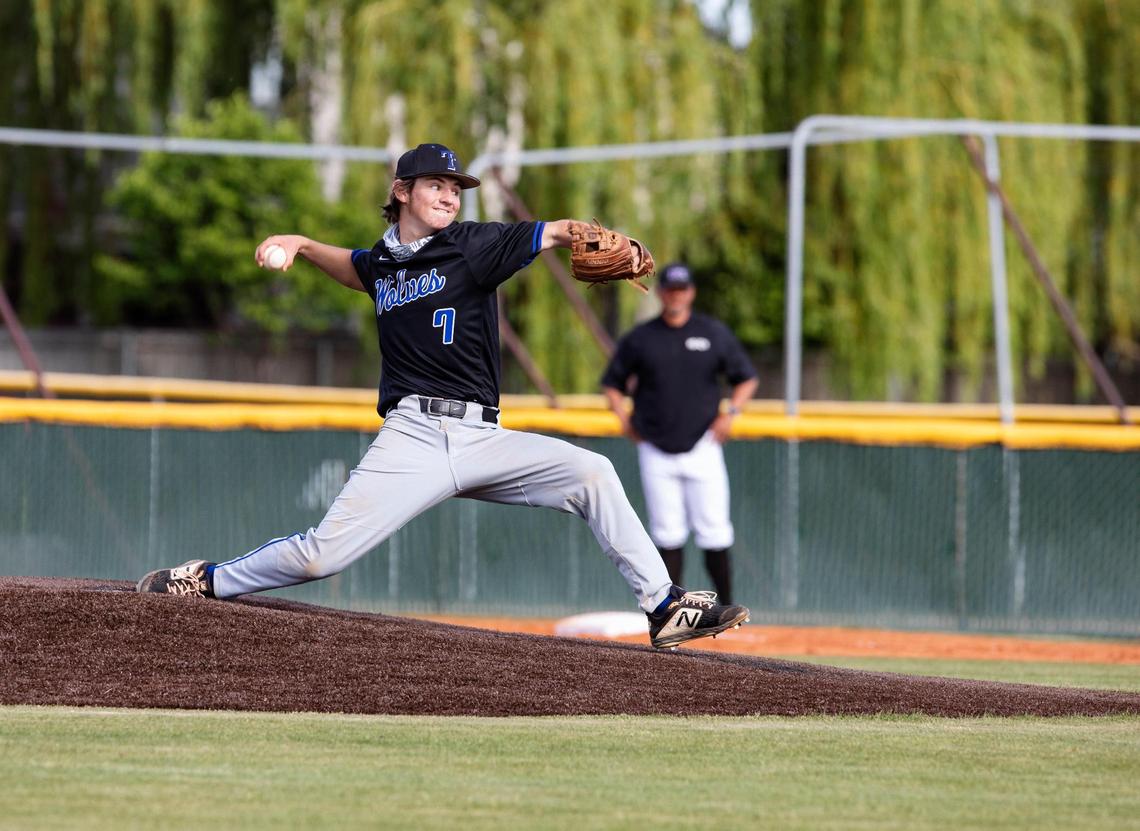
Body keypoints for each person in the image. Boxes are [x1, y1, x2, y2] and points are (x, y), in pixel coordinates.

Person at [136, 143, 749, 650]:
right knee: (322, 557)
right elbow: (354, 267)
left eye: (455, 188)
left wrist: (575, 233)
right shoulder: (383, 262)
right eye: (436, 184)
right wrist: (299, 241)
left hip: (483, 436)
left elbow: (550, 232)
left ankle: (663, 606)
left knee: (592, 471)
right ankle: (209, 580)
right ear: (402, 190)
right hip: (414, 436)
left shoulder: (474, 245)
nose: (449, 195)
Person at [601, 261, 758, 605]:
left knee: (714, 528)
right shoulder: (642, 338)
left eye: (682, 289)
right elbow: (612, 384)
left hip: (703, 444)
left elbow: (746, 378)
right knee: (666, 531)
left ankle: (726, 607)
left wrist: (730, 413)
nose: (676, 295)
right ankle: (675, 610)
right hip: (655, 445)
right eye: (670, 289)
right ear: (661, 293)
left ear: (691, 292)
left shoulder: (712, 333)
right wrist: (624, 420)